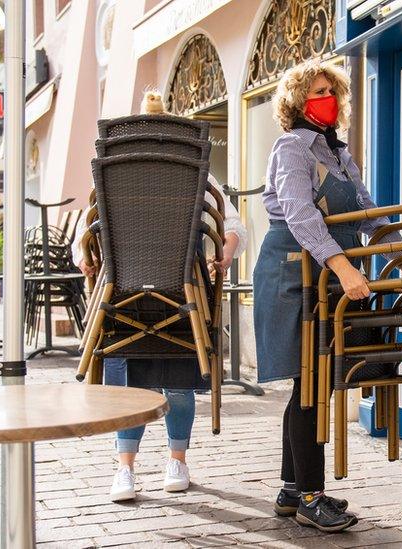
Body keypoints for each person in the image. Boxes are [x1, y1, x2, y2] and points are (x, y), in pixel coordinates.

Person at [253, 61, 402, 532]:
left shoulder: (340, 154)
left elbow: (369, 214)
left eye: (330, 91)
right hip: (294, 274)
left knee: (313, 383)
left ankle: (291, 490)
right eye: (315, 91)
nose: (325, 98)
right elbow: (301, 217)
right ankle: (309, 496)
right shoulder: (291, 148)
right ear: (297, 102)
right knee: (312, 380)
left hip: (329, 276)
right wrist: (344, 266)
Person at [73, 88, 246, 500]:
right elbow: (234, 227)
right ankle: (176, 461)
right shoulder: (195, 168)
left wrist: (87, 259)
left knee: (127, 382)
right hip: (182, 291)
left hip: (121, 295)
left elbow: (83, 236)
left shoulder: (112, 171)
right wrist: (219, 261)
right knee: (178, 379)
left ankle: (126, 469)